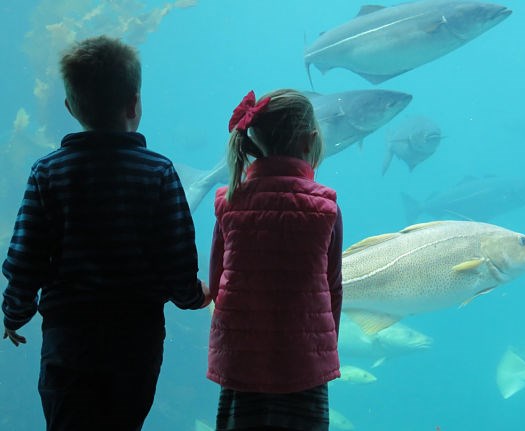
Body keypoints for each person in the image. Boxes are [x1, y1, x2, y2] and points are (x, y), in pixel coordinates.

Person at [1, 35, 209, 431]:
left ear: (69, 107)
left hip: (69, 339)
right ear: (134, 103)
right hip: (136, 340)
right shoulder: (158, 172)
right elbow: (177, 256)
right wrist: (193, 296)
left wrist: (15, 312)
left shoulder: (47, 173)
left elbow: (26, 258)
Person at [206, 89, 343, 431]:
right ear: (310, 140)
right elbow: (333, 289)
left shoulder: (230, 200)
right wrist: (321, 349)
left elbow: (218, 279)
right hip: (303, 365)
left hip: (241, 363)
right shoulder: (326, 207)